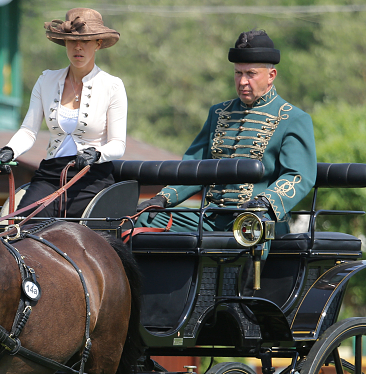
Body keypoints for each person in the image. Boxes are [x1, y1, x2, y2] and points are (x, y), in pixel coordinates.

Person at [135, 30, 316, 235]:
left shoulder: (293, 118)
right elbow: (194, 167)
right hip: (211, 216)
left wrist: (264, 201)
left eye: (251, 74)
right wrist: (164, 197)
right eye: (238, 73)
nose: (242, 82)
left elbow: (298, 175)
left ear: (271, 76)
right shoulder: (219, 113)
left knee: (254, 226)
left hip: (261, 218)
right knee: (146, 218)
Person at [0, 7, 127, 218]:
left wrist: (97, 154)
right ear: (64, 43)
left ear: (98, 44)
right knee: (21, 227)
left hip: (91, 177)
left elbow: (118, 144)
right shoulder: (45, 80)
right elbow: (28, 130)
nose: (78, 47)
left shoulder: (113, 86)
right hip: (50, 174)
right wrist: (10, 149)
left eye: (86, 41)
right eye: (72, 41)